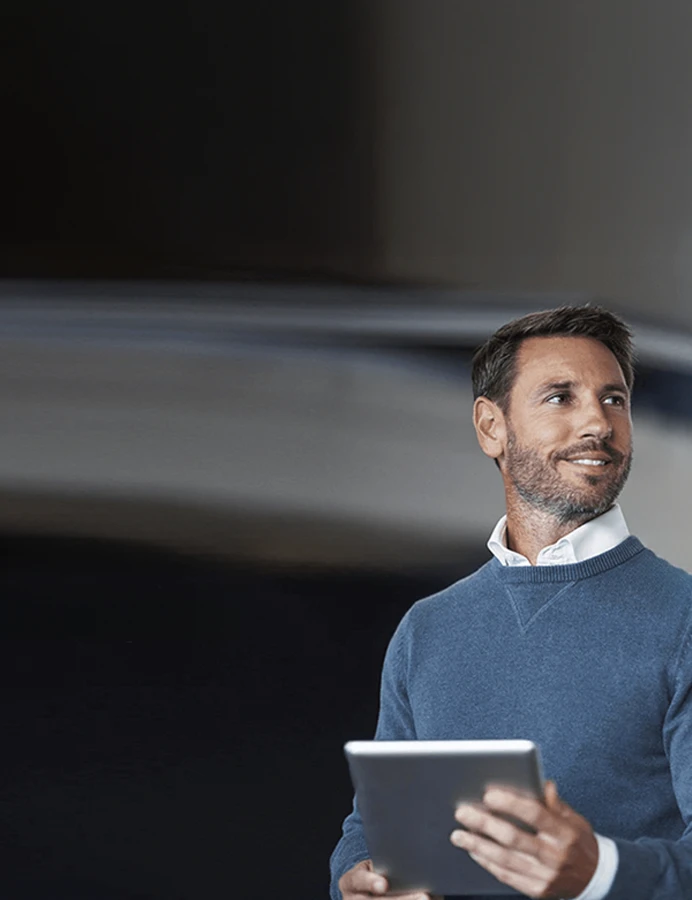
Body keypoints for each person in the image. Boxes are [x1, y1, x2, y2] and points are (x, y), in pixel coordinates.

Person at [329, 305, 692, 900]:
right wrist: (356, 879)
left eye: (614, 399)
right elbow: (371, 822)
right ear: (491, 427)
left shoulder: (683, 619)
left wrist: (601, 873)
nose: (598, 422)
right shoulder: (427, 629)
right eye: (560, 397)